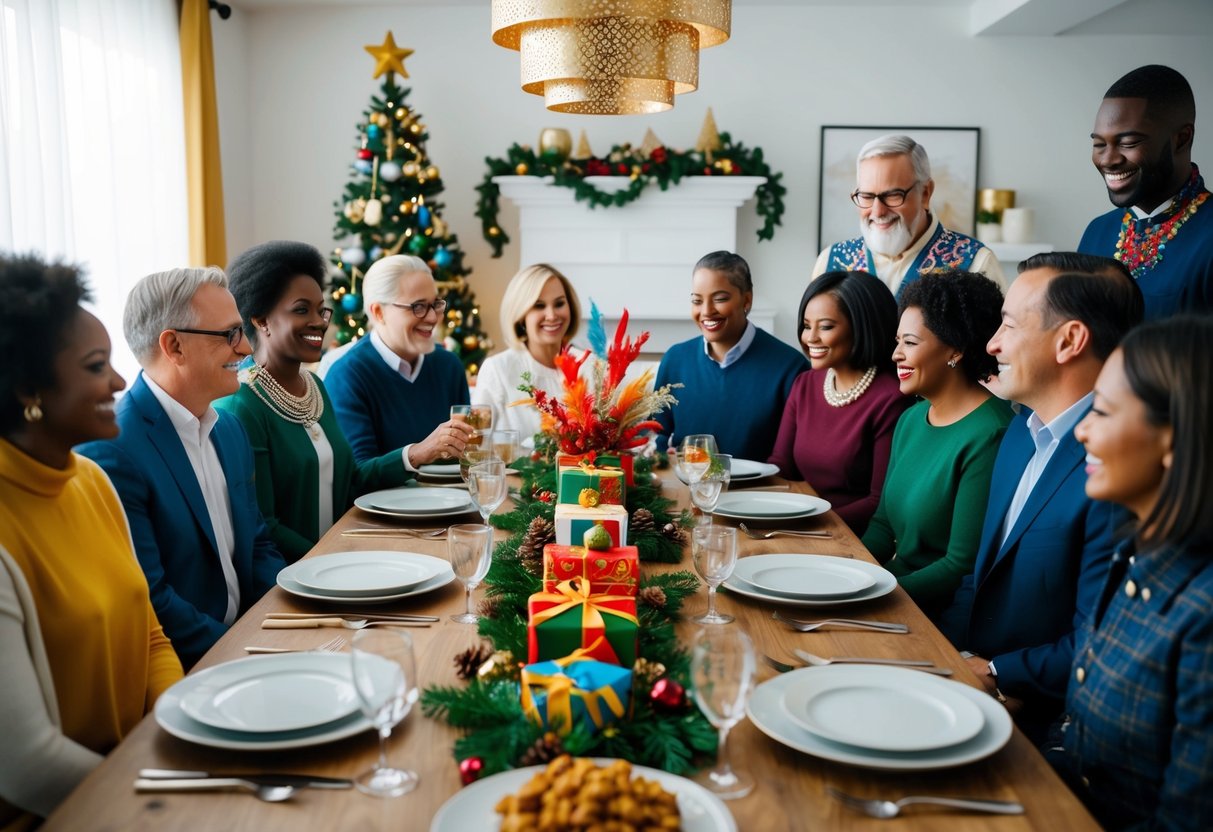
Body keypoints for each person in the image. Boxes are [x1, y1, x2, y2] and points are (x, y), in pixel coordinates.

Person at [0, 254, 182, 828]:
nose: (121, 381)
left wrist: (175, 737)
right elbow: (27, 766)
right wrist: (161, 801)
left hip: (140, 778)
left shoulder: (91, 480)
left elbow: (151, 636)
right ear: (29, 389)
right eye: (96, 365)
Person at [937, 253, 1143, 743]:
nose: (992, 344)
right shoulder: (1017, 434)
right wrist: (939, 656)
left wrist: (997, 673)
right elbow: (979, 580)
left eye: (1007, 324)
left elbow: (1102, 643)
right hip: (971, 692)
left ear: (1069, 340)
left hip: (1049, 724)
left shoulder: (1114, 465)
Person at [1048, 315, 1213, 830]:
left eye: (1102, 410)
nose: (1081, 430)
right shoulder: (1137, 555)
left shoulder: (1204, 615)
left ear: (1174, 436)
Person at [77, 267, 285, 669]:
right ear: (173, 346)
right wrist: (246, 655)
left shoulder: (229, 430)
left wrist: (286, 623)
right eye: (229, 335)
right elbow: (151, 598)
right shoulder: (112, 451)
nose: (245, 348)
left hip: (252, 644)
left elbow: (258, 545)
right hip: (186, 669)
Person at [216, 242, 441, 562]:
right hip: (291, 582)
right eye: (301, 309)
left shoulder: (315, 387)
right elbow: (263, 527)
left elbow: (351, 484)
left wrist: (413, 455)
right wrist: (335, 558)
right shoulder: (242, 404)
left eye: (320, 309)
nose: (320, 321)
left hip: (337, 563)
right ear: (261, 320)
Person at [862, 271, 1012, 617]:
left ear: (955, 350)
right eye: (898, 341)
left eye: (910, 343)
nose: (896, 354)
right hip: (889, 592)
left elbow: (960, 564)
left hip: (934, 612)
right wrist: (849, 572)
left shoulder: (991, 433)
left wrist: (872, 594)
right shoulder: (911, 419)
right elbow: (883, 525)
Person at [767, 271, 910, 535]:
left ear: (862, 326)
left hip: (852, 539)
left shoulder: (891, 399)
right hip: (798, 526)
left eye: (826, 327)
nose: (810, 338)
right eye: (807, 325)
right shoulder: (805, 383)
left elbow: (879, 503)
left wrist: (804, 523)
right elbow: (781, 466)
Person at [1078, 65, 1211, 319]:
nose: (1108, 159)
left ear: (1181, 139)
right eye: (1099, 144)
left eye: (1128, 143)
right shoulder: (1097, 232)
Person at [653, 251, 807, 461]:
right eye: (697, 301)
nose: (706, 311)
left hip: (761, 490)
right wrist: (662, 455)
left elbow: (799, 453)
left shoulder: (791, 368)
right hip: (685, 487)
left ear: (747, 300)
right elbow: (654, 431)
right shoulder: (675, 360)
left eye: (720, 299)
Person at [813, 135, 1005, 297]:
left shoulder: (976, 264)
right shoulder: (830, 261)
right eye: (867, 196)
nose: (878, 211)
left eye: (892, 195)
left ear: (925, 193)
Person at [325, 254, 472, 464]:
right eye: (418, 307)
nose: (432, 318)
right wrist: (418, 453)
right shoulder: (347, 375)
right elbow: (356, 476)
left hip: (454, 496)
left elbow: (466, 455)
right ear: (378, 312)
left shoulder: (449, 366)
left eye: (435, 304)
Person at [472, 263, 582, 439]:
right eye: (539, 306)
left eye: (559, 303)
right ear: (520, 314)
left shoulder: (591, 366)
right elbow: (475, 444)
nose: (552, 315)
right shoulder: (498, 369)